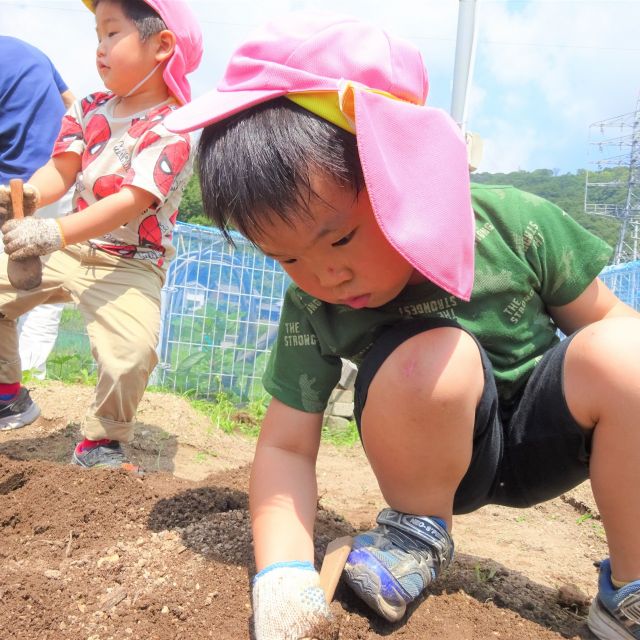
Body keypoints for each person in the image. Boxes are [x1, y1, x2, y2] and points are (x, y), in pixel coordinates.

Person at [165, 12, 640, 640]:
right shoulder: (314, 305)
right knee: (431, 356)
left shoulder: (514, 225)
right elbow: (285, 445)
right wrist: (281, 573)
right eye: (286, 258)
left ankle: (629, 591)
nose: (324, 275)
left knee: (624, 353)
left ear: (403, 174)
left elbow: (611, 329)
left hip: (548, 436)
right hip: (434, 460)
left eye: (339, 237)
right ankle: (414, 535)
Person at [0, 0, 203, 476]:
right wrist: (27, 195)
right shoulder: (90, 107)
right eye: (97, 35)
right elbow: (61, 171)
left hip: (131, 260)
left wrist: (50, 230)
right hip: (69, 246)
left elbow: (130, 201)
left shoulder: (175, 125)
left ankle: (101, 440)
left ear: (162, 45)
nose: (99, 48)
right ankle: (8, 397)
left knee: (130, 354)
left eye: (112, 33)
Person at [0, 36, 76, 380]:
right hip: (59, 175)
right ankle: (32, 368)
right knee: (43, 273)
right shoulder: (28, 50)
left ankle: (12, 377)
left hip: (14, 186)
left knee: (15, 280)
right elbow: (71, 102)